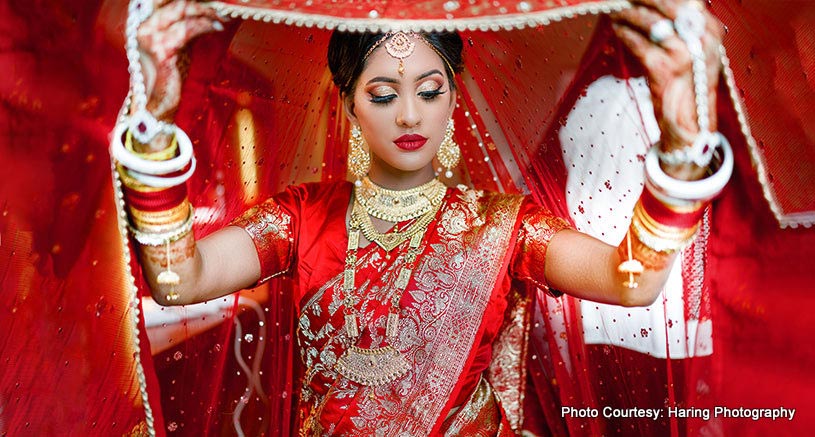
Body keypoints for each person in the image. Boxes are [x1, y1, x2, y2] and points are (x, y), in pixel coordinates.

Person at [116, 0, 729, 434]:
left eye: (429, 91)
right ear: (349, 104)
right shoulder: (301, 217)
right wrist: (150, 136)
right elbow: (177, 281)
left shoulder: (504, 227)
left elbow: (633, 280)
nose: (409, 115)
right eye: (383, 95)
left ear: (455, 96)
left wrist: (681, 147)